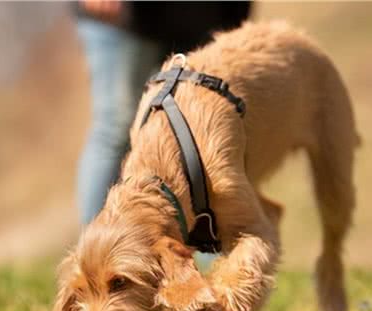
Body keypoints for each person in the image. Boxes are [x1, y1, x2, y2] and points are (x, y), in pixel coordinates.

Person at [75, 1, 251, 224]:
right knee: (116, 128)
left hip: (206, 17)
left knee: (208, 132)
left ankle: (214, 248)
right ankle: (98, 251)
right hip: (126, 20)